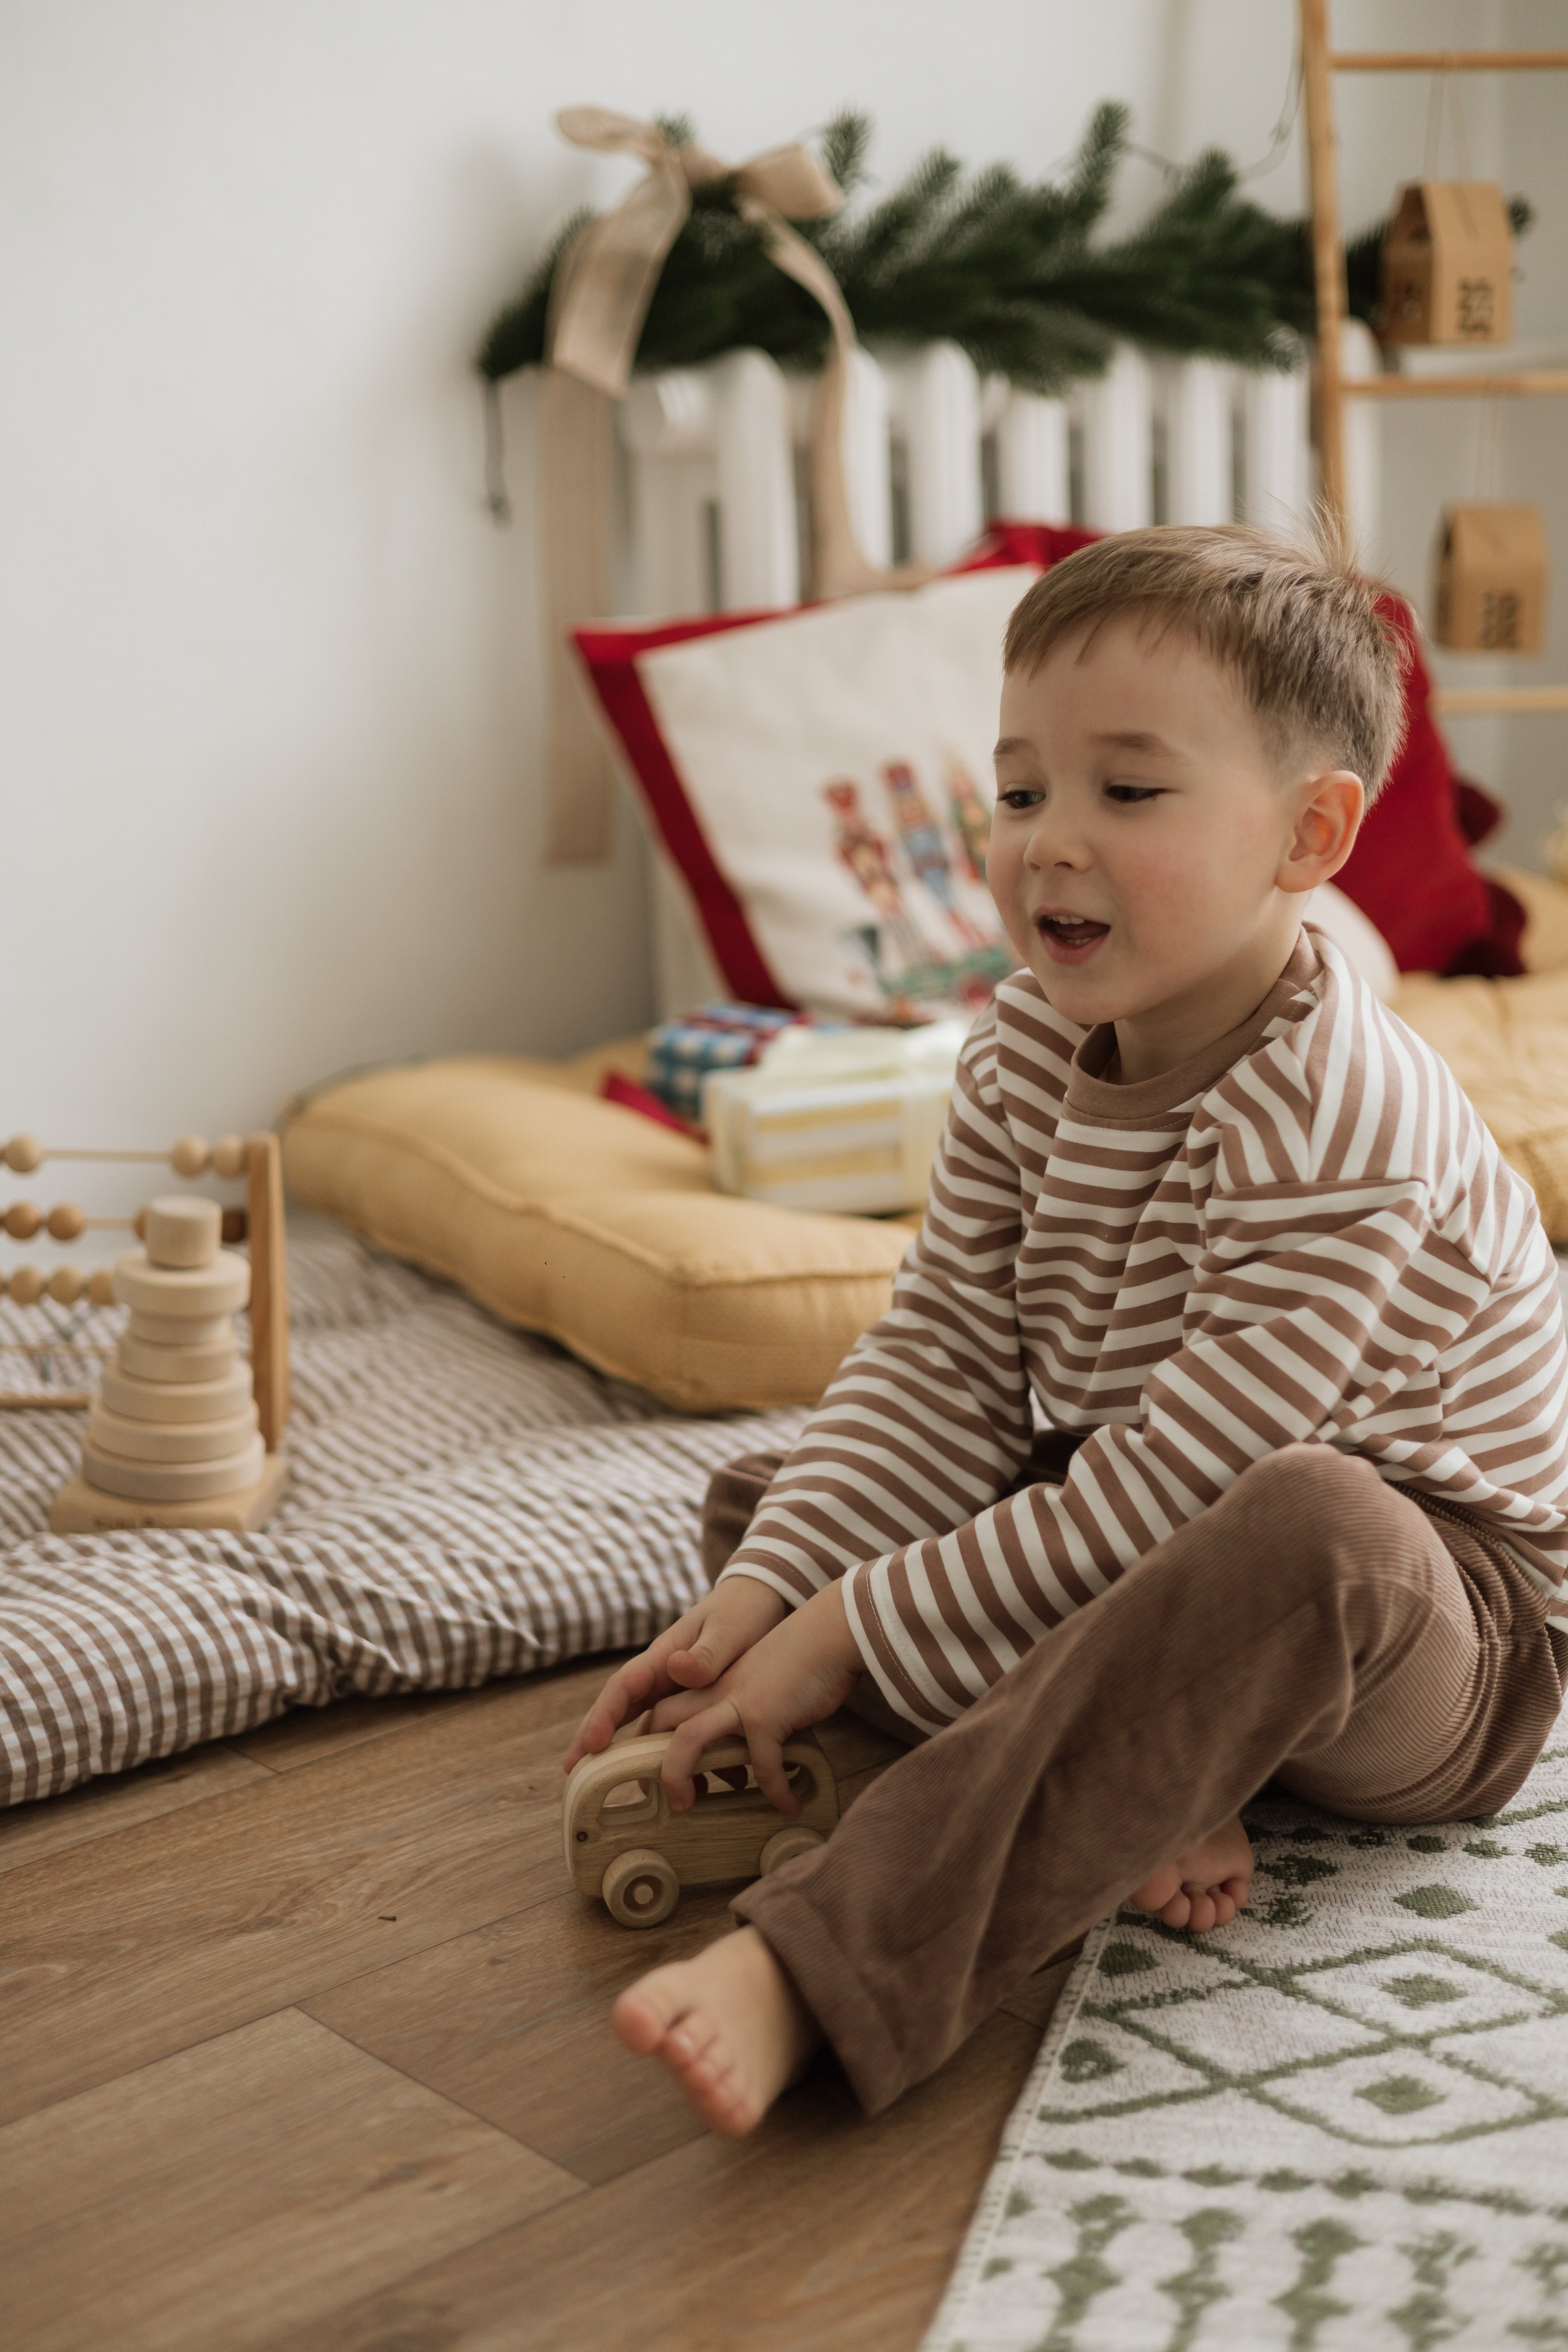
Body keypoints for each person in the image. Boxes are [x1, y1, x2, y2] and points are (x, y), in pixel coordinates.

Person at [564, 524, 1568, 2139]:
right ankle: (1141, 1764)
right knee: (780, 1507)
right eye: (1022, 790)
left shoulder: (1343, 1101)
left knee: (1306, 1524)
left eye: (1130, 791)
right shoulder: (1023, 1046)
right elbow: (943, 1358)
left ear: (1309, 835)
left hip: (1426, 1623)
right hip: (1154, 1513)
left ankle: (833, 1967)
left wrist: (851, 1634)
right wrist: (762, 1609)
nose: (1047, 842)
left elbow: (1198, 1489)